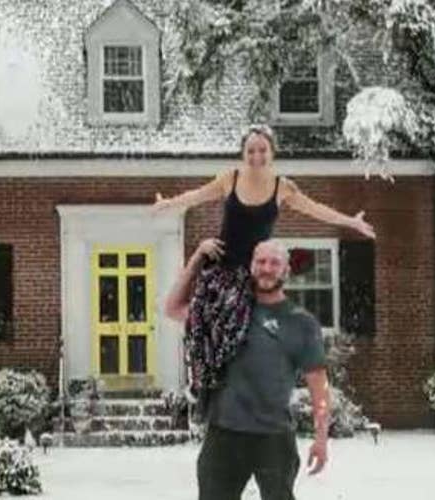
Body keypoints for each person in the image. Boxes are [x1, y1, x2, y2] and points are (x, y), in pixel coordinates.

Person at [153, 124, 373, 418]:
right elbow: (196, 196)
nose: (256, 156)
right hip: (221, 268)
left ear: (272, 153)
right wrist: (168, 203)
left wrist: (351, 222)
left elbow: (316, 209)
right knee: (205, 324)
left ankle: (245, 394)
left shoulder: (282, 187)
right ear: (243, 154)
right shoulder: (229, 179)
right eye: (251, 150)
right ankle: (206, 386)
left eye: (262, 150)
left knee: (247, 332)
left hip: (254, 275)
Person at [165, 238, 331, 500]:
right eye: (261, 261)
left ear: (286, 270)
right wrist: (197, 258)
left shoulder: (301, 323)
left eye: (275, 263)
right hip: (224, 435)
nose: (267, 268)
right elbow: (173, 308)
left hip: (274, 438)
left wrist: (321, 438)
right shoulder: (227, 311)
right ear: (251, 266)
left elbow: (318, 384)